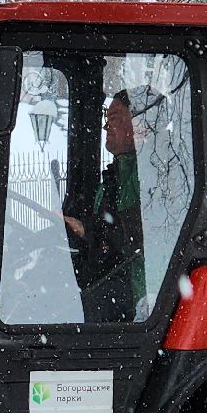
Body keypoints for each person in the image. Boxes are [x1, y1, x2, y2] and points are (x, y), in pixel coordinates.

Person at [65, 90, 147, 322]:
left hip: (136, 296)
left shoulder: (149, 175)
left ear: (140, 124)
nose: (106, 128)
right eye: (106, 120)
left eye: (116, 119)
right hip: (112, 283)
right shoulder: (114, 176)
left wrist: (88, 231)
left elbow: (133, 237)